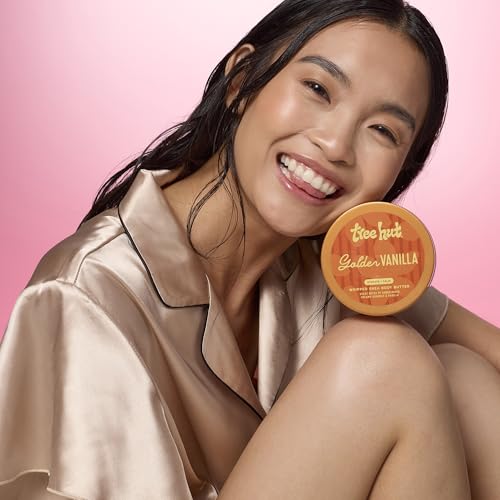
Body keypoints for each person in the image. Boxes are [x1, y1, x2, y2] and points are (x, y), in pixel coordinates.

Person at [1, 0, 500, 498]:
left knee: (463, 378)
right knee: (384, 360)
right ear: (241, 82)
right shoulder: (85, 293)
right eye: (318, 89)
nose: (336, 145)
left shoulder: (333, 269)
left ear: (400, 173)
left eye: (383, 131)